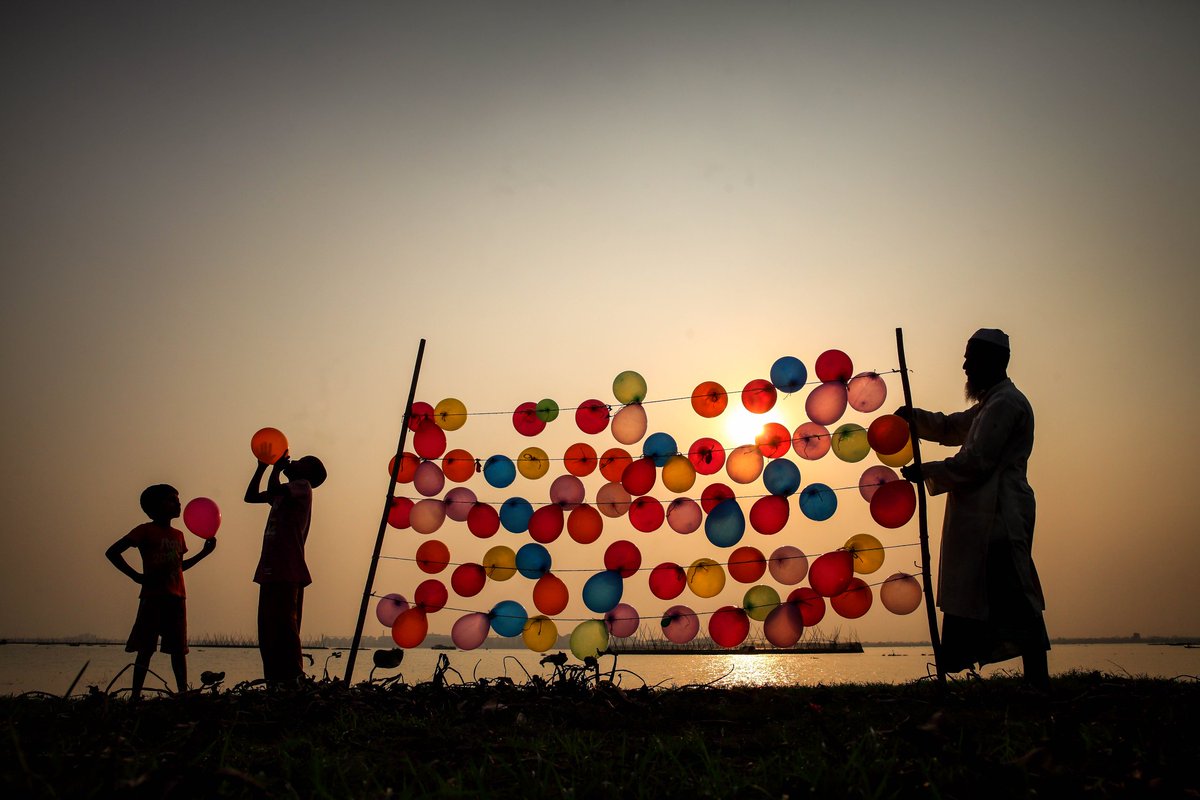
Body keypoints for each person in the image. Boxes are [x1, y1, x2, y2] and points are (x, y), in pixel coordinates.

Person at [897, 328, 1050, 689]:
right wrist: (913, 419)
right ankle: (1030, 681)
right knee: (983, 591)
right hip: (981, 516)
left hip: (1002, 513)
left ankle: (1038, 682)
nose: (964, 366)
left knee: (1015, 595)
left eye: (971, 359)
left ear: (993, 362)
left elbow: (977, 461)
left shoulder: (1006, 404)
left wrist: (927, 471)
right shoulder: (989, 405)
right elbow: (951, 426)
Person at [105, 484, 217, 699]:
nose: (178, 504)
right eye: (171, 500)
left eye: (178, 499)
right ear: (155, 507)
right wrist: (136, 576)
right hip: (152, 598)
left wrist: (204, 554)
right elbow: (112, 552)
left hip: (177, 598)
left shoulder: (179, 535)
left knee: (178, 650)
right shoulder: (144, 530)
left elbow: (179, 566)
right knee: (145, 649)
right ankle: (135, 696)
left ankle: (182, 692)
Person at [245, 451, 326, 684]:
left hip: (288, 566)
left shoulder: (302, 487)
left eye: (301, 461)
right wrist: (262, 467)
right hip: (270, 567)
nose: (295, 461)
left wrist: (275, 468)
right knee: (268, 628)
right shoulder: (283, 493)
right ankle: (274, 678)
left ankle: (293, 677)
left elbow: (273, 490)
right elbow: (250, 496)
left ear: (308, 473)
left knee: (285, 626)